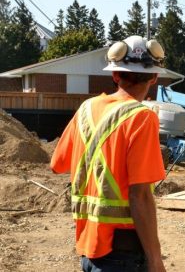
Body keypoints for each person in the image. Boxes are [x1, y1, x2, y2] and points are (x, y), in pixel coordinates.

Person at [50, 35, 167, 272]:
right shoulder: (141, 117)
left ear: (115, 75)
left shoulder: (86, 109)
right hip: (122, 256)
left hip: (89, 250)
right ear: (154, 77)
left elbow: (57, 164)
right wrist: (155, 261)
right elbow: (140, 196)